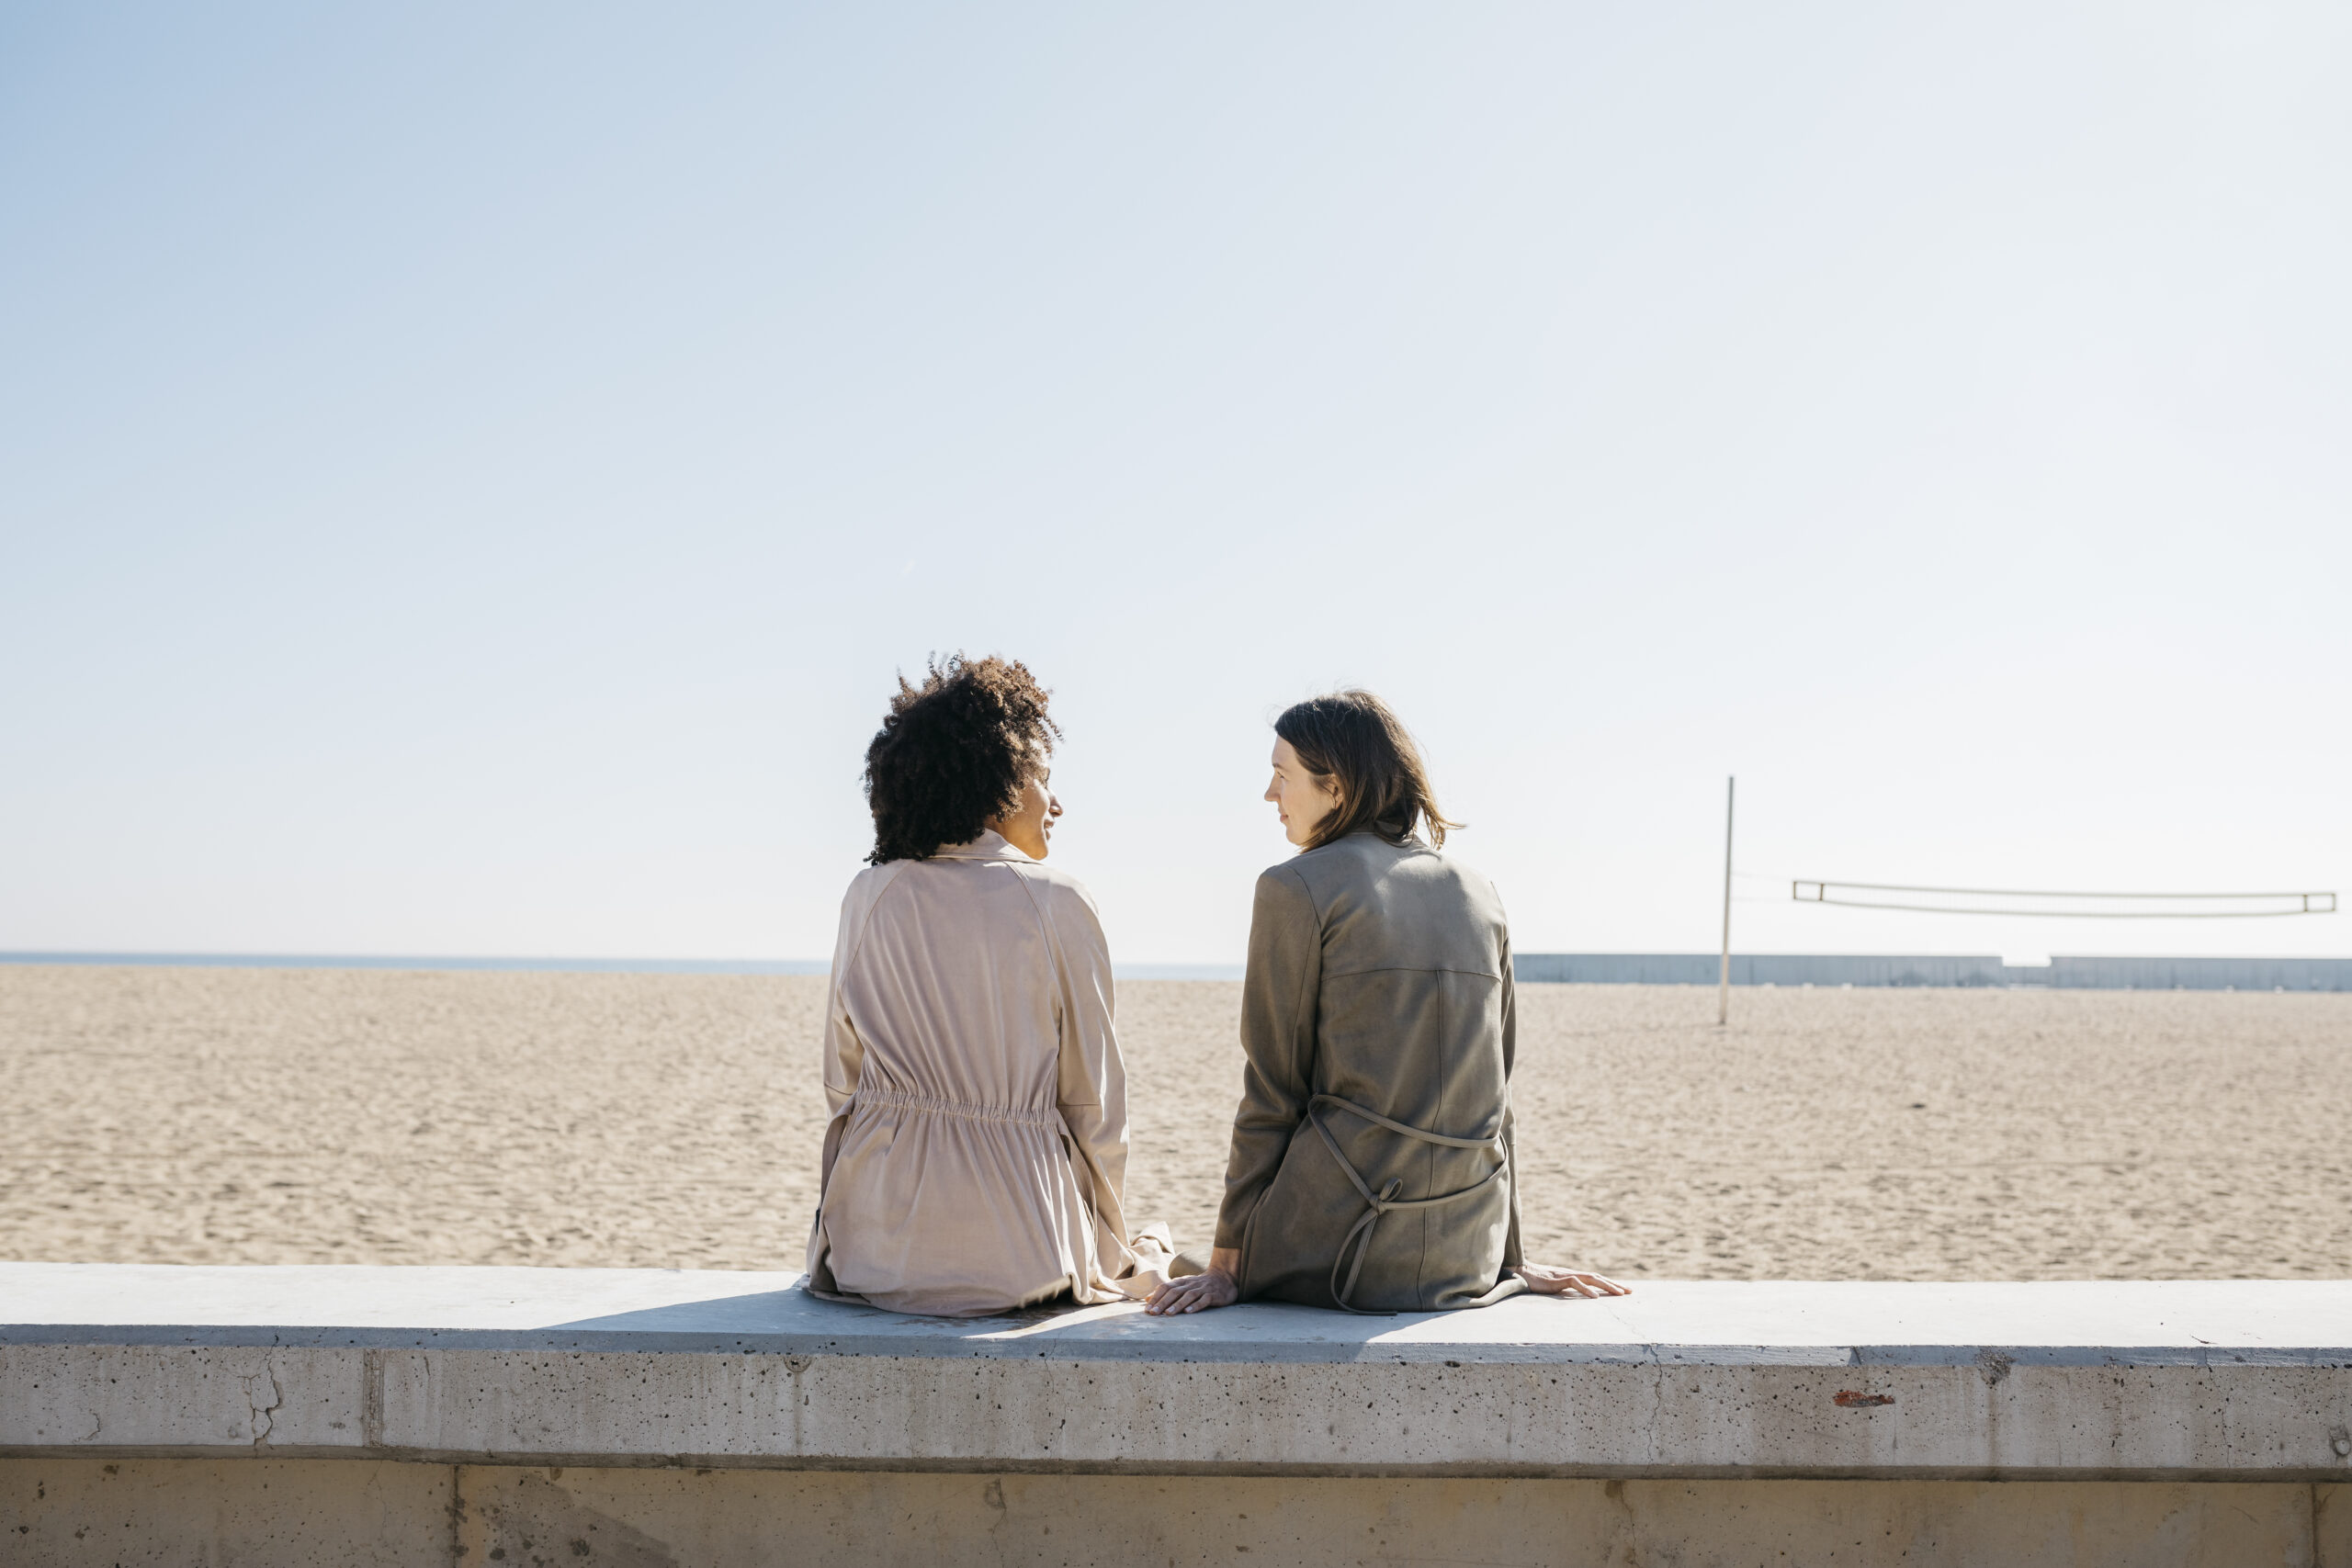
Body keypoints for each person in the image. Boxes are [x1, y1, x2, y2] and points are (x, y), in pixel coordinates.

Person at [1147, 691, 1628, 1315]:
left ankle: (1151, 1250)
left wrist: (1225, 1267)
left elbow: (1272, 1094)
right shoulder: (1481, 891)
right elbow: (1495, 1095)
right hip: (1467, 1249)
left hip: (1345, 1244)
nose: (1270, 794)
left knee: (1174, 1269)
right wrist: (1511, 1258)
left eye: (1282, 775)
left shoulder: (1294, 886)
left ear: (1337, 787)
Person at [806, 655, 1172, 1316]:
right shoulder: (1058, 900)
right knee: (1157, 1245)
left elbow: (843, 1083)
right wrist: (1108, 1247)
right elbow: (1092, 1101)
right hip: (1021, 1250)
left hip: (874, 1251)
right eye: (1042, 779)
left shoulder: (868, 893)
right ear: (998, 783)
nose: (1056, 802)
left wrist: (832, 1235)